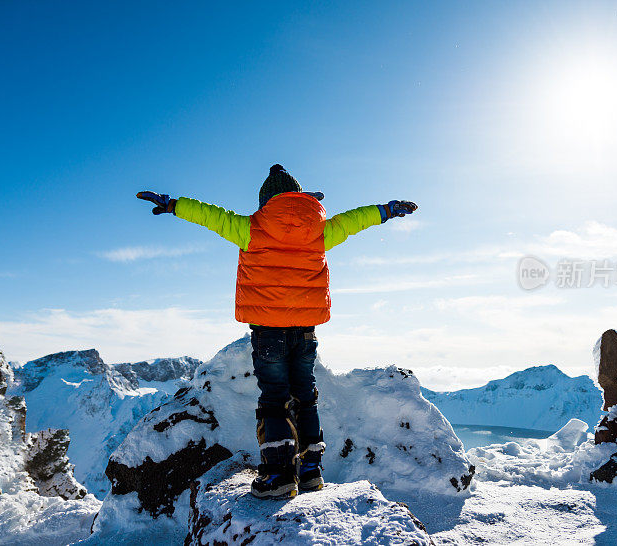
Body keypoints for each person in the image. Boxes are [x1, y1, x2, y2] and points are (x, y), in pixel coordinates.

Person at [137, 164, 417, 498]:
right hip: (305, 331)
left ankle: (279, 476)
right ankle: (310, 471)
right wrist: (386, 211)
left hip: (269, 331)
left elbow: (209, 215)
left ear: (266, 201)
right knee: (305, 396)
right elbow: (355, 220)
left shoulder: (250, 228)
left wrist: (173, 204)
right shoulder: (319, 230)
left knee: (274, 401)